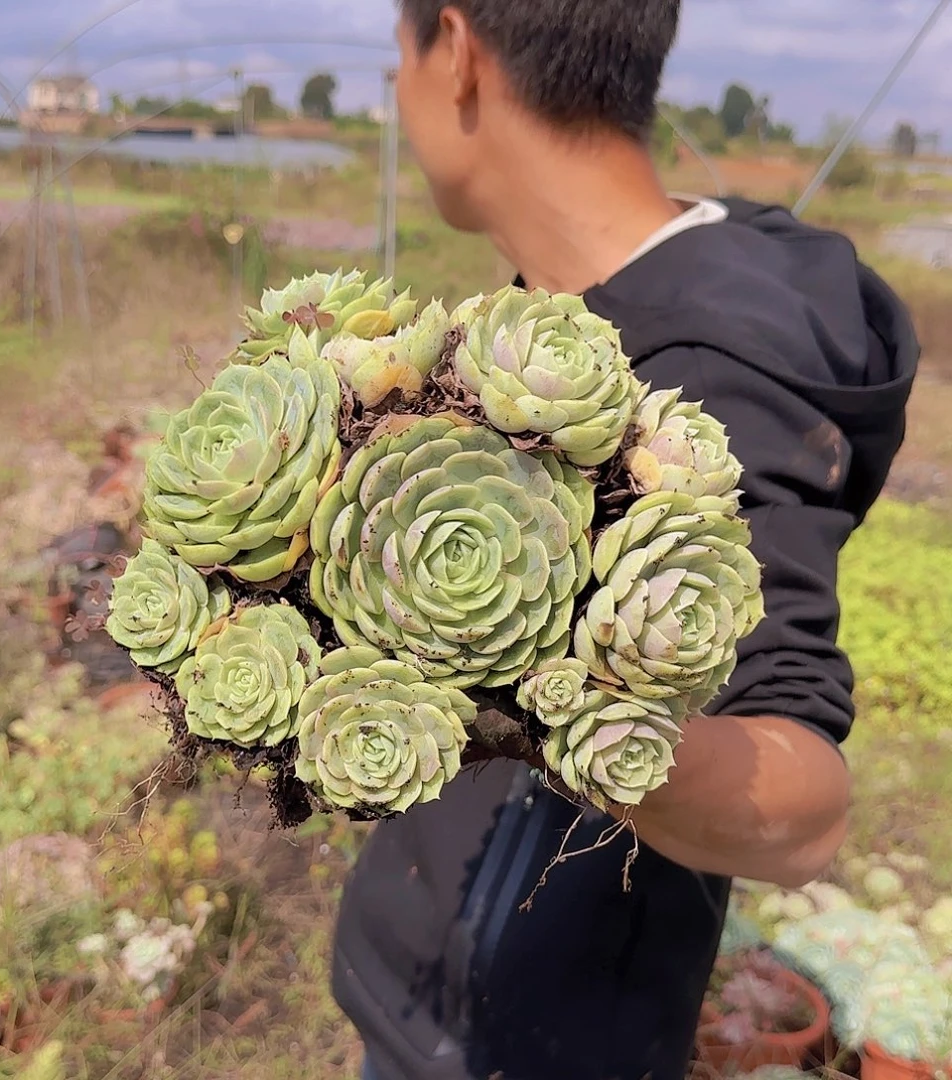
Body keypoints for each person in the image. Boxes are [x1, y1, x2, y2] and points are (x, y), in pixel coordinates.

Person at [334, 3, 920, 1078]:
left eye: (396, 61)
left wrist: (527, 685)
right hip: (434, 984)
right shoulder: (557, 321)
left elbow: (801, 795)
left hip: (526, 1041)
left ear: (456, 53)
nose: (396, 94)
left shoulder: (709, 363)